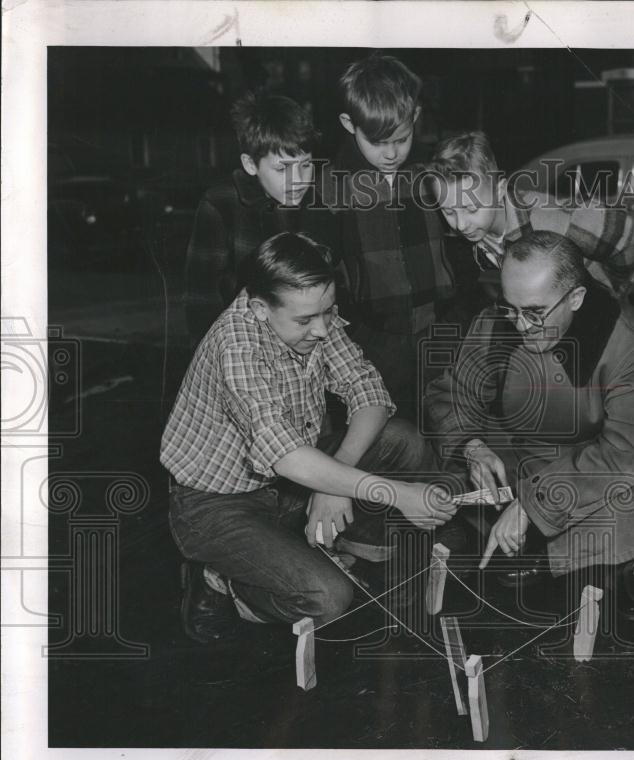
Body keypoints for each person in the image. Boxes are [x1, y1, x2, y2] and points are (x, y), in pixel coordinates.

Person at [162, 231, 456, 643]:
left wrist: (338, 480)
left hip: (287, 485)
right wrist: (395, 493)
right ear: (261, 309)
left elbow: (368, 391)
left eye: (328, 313)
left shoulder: (311, 312)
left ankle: (350, 548)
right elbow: (286, 455)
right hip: (217, 504)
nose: (321, 330)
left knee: (401, 439)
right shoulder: (236, 345)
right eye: (305, 320)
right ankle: (222, 580)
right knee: (327, 600)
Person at [424, 230, 634, 596]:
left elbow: (624, 452)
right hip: (521, 451)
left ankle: (554, 562)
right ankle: (502, 544)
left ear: (575, 298)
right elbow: (454, 393)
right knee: (436, 477)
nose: (521, 325)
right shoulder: (498, 321)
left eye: (535, 313)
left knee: (627, 516)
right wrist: (473, 447)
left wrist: (531, 503)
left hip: (601, 465)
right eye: (512, 308)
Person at [320, 53, 455, 422]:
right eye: (377, 142)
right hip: (370, 341)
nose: (391, 153)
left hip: (435, 331)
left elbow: (457, 245)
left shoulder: (431, 176)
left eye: (401, 139)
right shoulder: (332, 186)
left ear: (415, 118)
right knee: (384, 438)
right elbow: (323, 272)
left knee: (441, 425)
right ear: (350, 124)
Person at [183, 91, 335, 347]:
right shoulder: (221, 204)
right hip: (242, 350)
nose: (297, 179)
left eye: (306, 164)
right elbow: (201, 298)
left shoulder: (319, 203)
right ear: (250, 164)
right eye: (281, 168)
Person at [429, 131, 634, 302]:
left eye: (471, 209)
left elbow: (627, 235)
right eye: (448, 211)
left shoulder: (551, 222)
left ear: (500, 190)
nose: (460, 224)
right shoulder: (476, 232)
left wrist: (615, 293)